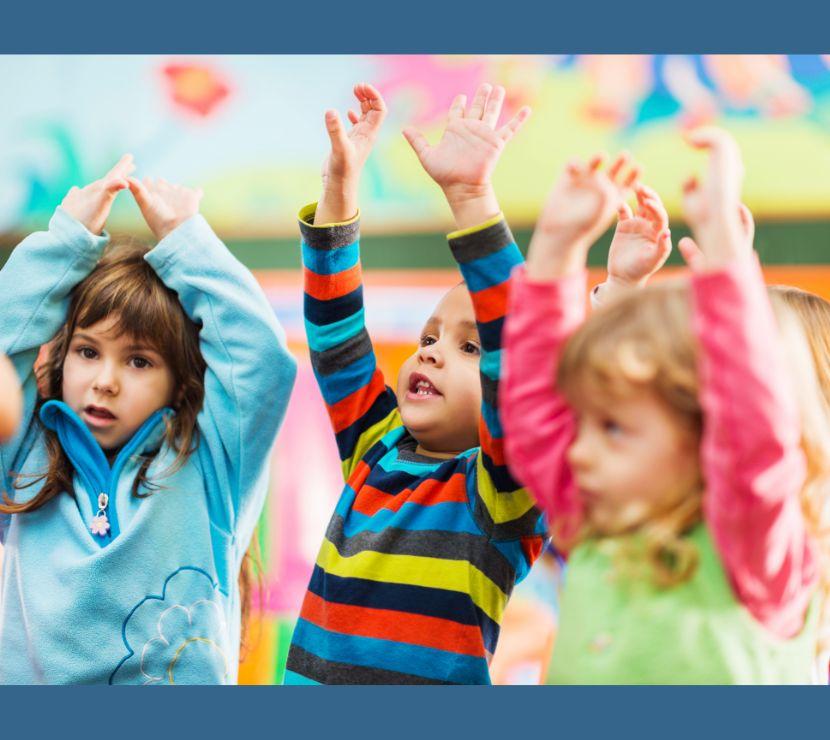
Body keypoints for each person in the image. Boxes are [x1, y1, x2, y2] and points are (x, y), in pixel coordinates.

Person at [501, 130, 824, 683]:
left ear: (704, 433)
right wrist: (555, 249)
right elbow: (536, 412)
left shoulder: (749, 551)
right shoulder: (601, 525)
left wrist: (724, 248)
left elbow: (754, 434)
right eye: (584, 426)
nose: (575, 450)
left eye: (612, 429)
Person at [284, 82, 547, 684]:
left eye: (469, 347)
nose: (430, 353)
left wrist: (471, 197)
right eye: (429, 338)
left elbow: (521, 360)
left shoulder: (500, 498)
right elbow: (336, 337)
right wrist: (339, 190)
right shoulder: (375, 447)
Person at [0, 156, 296, 684]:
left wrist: (185, 238)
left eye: (139, 362)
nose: (105, 381)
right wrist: (64, 242)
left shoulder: (209, 464)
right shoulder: (23, 454)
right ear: (62, 358)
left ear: (180, 382)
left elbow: (262, 361)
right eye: (88, 352)